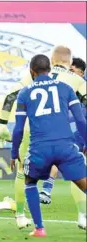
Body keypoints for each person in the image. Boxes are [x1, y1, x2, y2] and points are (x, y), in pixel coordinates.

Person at [0, 46, 87, 229]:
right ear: (69, 63)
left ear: (51, 61)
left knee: (23, 174)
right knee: (77, 173)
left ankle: (21, 215)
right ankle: (82, 215)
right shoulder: (76, 80)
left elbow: (11, 95)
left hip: (33, 130)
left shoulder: (32, 76)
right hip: (60, 132)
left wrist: (3, 124)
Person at [40, 57, 86, 204]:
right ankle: (47, 189)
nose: (70, 73)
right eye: (69, 70)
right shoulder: (66, 87)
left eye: (73, 71)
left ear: (81, 73)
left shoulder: (81, 86)